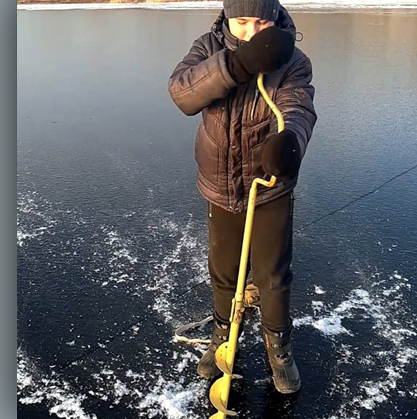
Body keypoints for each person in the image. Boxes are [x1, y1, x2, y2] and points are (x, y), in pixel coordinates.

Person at [167, 0, 317, 394]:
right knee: (224, 270)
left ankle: (278, 347)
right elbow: (182, 94)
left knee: (272, 274)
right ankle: (222, 336)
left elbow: (298, 109)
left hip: (267, 187)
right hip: (220, 184)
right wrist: (235, 66)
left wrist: (291, 145)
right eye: (242, 21)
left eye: (260, 21)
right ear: (228, 16)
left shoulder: (292, 60)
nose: (250, 32)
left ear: (274, 16)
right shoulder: (207, 47)